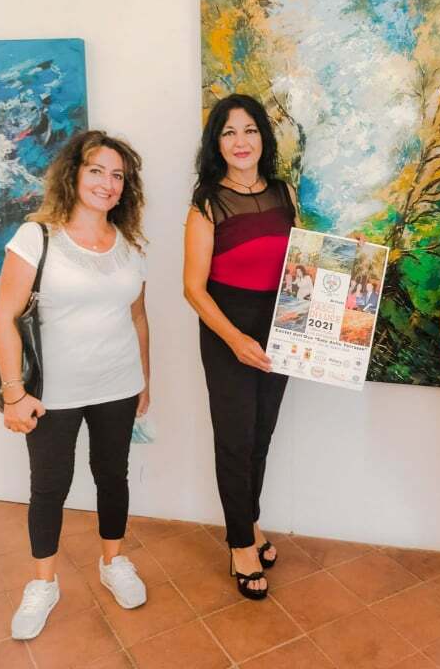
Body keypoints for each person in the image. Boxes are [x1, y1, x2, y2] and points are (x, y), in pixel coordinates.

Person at [0, 131, 150, 640]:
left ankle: (113, 561)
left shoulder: (130, 244)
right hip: (51, 393)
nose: (108, 183)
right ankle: (43, 584)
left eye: (118, 175)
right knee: (49, 487)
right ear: (73, 174)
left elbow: (138, 317)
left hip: (118, 384)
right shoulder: (35, 237)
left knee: (113, 476)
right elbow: (5, 319)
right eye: (96, 170)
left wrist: (144, 380)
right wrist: (13, 393)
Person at [183, 93, 297, 601]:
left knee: (260, 436)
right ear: (217, 143)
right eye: (229, 132)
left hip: (280, 327)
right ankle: (240, 546)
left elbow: (301, 260)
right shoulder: (207, 202)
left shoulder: (283, 192)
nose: (240, 141)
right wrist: (235, 340)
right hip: (227, 328)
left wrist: (349, 255)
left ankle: (248, 521)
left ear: (262, 138)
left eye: (249, 129)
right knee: (234, 439)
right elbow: (193, 288)